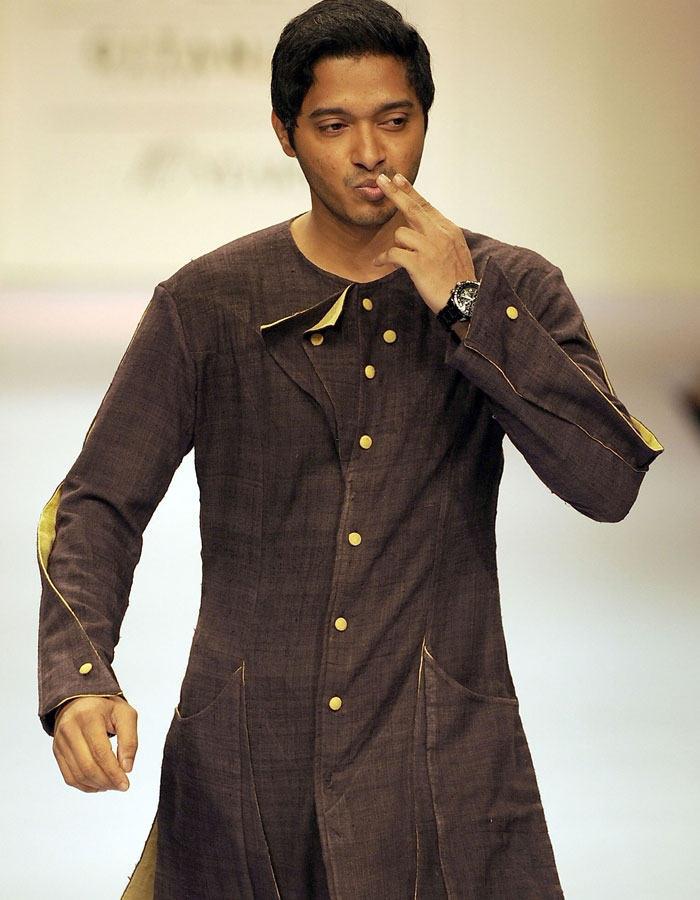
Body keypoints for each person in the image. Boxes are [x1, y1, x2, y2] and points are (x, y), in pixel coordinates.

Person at [37, 1, 663, 898]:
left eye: (396, 121)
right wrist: (79, 676)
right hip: (245, 760)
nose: (372, 152)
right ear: (287, 134)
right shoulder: (208, 302)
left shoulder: (512, 285)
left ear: (424, 122)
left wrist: (469, 308)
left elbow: (606, 481)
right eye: (335, 125)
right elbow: (98, 502)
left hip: (442, 758)